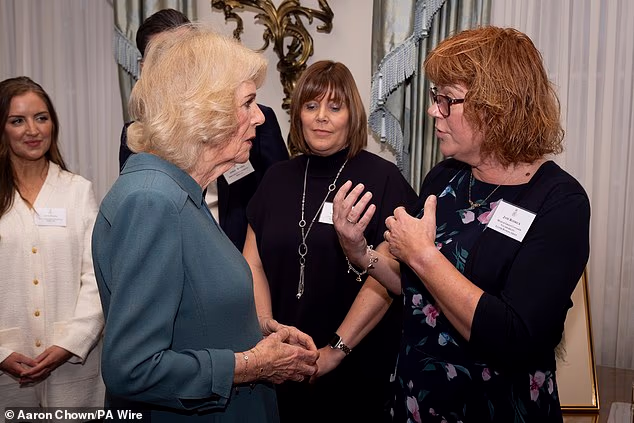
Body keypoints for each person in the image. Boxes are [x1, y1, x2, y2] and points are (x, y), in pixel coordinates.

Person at [332, 26, 591, 422]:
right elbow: (413, 286)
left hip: (494, 408)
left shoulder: (560, 202)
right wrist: (360, 252)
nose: (433, 110)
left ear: (497, 107)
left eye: (447, 100)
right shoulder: (446, 177)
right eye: (436, 97)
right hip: (417, 399)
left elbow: (514, 338)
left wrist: (422, 255)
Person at [92, 25, 319, 423]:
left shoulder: (181, 192)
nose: (259, 119)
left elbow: (190, 311)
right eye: (248, 102)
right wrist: (252, 364)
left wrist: (260, 332)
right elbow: (132, 369)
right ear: (206, 111)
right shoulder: (152, 200)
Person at [243, 60, 418, 422]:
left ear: (352, 116)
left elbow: (390, 279)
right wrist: (267, 330)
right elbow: (253, 261)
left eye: (334, 107)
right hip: (280, 362)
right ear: (299, 115)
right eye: (311, 106)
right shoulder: (276, 178)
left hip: (355, 368)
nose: (321, 116)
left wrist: (334, 351)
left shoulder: (383, 178)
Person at [119, 8, 289, 251]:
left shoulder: (251, 119)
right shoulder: (139, 138)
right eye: (169, 56)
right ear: (145, 67)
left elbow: (279, 199)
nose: (183, 63)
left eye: (190, 52)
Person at [0, 76, 104, 409]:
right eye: (18, 120)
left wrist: (71, 343)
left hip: (74, 367)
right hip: (6, 377)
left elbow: (97, 278)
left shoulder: (78, 191)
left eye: (41, 118)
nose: (32, 130)